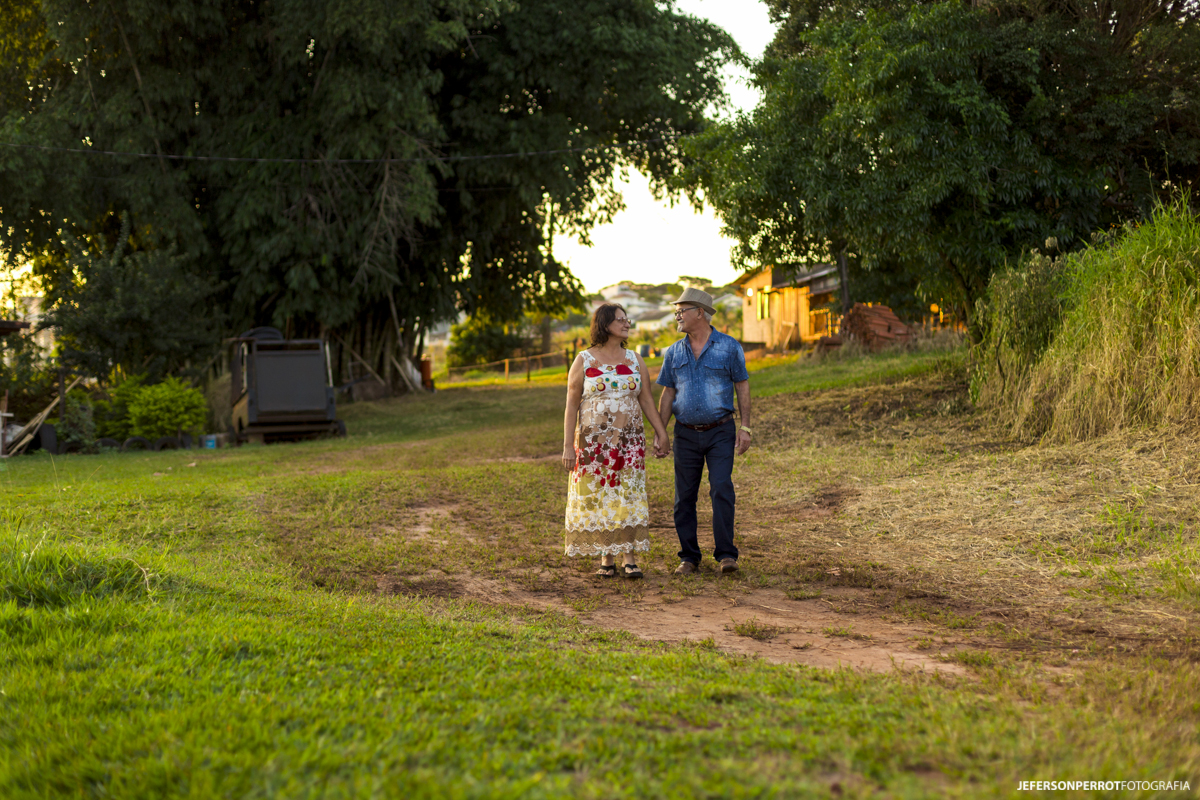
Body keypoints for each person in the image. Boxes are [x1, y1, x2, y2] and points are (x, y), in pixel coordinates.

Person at [562, 304, 671, 578]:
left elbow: (645, 398)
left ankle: (629, 557)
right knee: (600, 495)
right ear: (605, 324)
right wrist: (567, 446)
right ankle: (606, 558)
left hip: (629, 443)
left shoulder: (634, 359)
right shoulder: (583, 360)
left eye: (627, 319)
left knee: (627, 495)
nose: (627, 324)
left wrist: (661, 432)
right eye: (621, 320)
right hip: (593, 446)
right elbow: (571, 405)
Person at [655, 287, 751, 575]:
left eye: (681, 310)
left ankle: (726, 556)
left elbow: (742, 385)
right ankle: (689, 557)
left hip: (721, 430)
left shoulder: (729, 347)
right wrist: (661, 432)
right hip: (685, 433)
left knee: (721, 488)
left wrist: (745, 426)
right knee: (684, 496)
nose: (677, 315)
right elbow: (667, 394)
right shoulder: (673, 352)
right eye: (677, 311)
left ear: (700, 313)